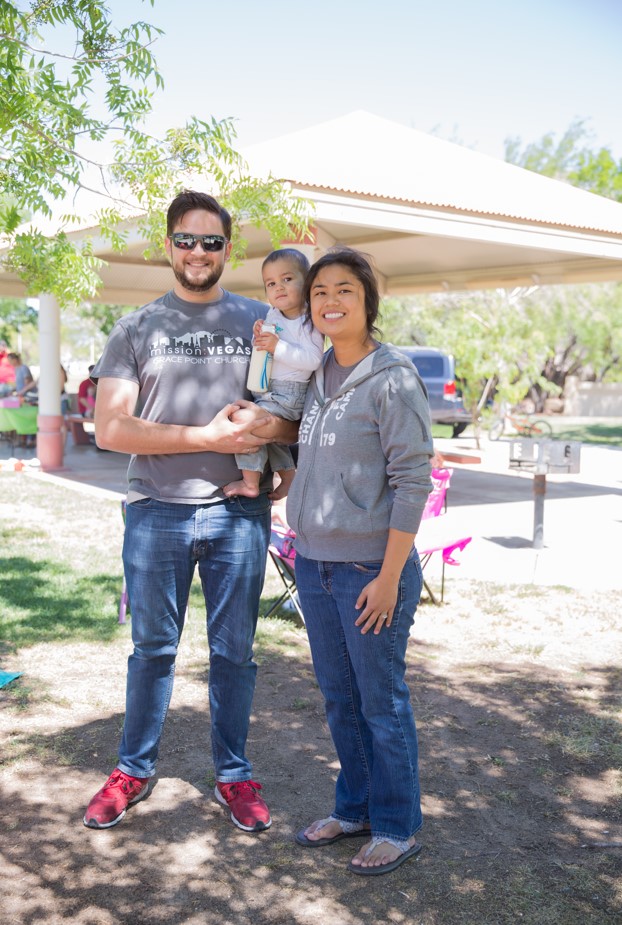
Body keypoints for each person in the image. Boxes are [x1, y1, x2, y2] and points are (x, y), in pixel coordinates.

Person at [83, 190, 297, 833]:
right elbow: (110, 429)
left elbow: (293, 406)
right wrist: (205, 437)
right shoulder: (136, 328)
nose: (197, 251)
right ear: (168, 245)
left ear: (228, 249)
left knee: (234, 654)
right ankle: (133, 769)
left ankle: (234, 774)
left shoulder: (263, 320)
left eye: (211, 241)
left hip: (238, 514)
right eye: (186, 239)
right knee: (152, 650)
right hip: (157, 511)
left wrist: (274, 447)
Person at [286, 247, 433, 876]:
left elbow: (413, 481)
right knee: (339, 699)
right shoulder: (316, 372)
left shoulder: (393, 377)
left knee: (381, 701)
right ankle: (355, 809)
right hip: (314, 564)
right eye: (320, 291)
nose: (330, 301)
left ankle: (397, 826)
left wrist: (389, 577)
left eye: (345, 289)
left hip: (371, 570)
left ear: (368, 301)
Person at [223, 248, 324, 500]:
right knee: (267, 435)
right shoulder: (273, 314)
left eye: (287, 279)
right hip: (268, 388)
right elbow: (267, 346)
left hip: (289, 394)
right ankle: (289, 477)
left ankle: (250, 482)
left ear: (306, 282)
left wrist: (277, 346)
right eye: (271, 283)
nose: (279, 287)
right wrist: (260, 333)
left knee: (246, 423)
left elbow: (313, 360)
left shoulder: (308, 320)